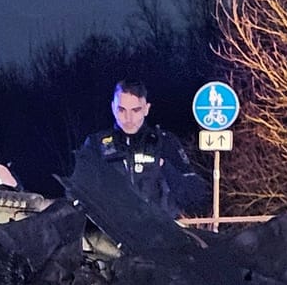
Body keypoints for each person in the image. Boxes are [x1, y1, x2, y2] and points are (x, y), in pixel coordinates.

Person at [78, 81, 212, 218]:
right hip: (112, 231)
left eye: (135, 110)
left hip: (159, 231)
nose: (128, 118)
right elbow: (78, 193)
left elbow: (195, 195)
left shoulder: (165, 142)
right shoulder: (96, 144)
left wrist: (166, 169)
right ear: (113, 107)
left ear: (146, 109)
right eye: (121, 110)